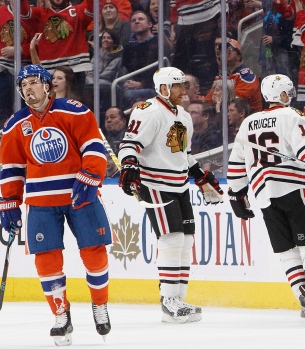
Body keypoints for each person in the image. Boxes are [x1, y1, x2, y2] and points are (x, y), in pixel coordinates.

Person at [227, 73, 305, 326]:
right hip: (293, 188)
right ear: (283, 95)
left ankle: (304, 301)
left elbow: (236, 163)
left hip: (263, 195)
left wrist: (236, 194)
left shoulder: (248, 122)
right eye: (289, 93)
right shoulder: (291, 115)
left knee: (287, 251)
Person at [0, 65, 113, 345]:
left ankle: (100, 305)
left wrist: (91, 175)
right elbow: (11, 168)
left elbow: (94, 147)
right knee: (46, 260)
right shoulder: (15, 124)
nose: (28, 89)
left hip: (79, 195)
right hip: (40, 201)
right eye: (23, 85)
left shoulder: (74, 111)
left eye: (34, 82)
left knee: (94, 252)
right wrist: (10, 201)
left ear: (48, 86)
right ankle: (61, 314)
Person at [117, 67, 224, 324]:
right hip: (154, 183)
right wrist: (130, 165)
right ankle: (168, 300)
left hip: (179, 185)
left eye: (184, 86)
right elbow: (129, 144)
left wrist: (200, 175)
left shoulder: (184, 116)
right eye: (178, 86)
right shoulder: (149, 111)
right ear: (163, 88)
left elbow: (183, 155)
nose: (184, 91)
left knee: (186, 240)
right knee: (172, 238)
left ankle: (179, 297)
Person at [20, 0, 94, 97]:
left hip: (75, 68)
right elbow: (24, 11)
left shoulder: (78, 11)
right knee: (51, 108)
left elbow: (92, 7)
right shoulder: (41, 13)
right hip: (48, 70)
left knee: (74, 105)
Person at [206, 38, 262, 113]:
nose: (226, 52)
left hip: (249, 115)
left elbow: (237, 101)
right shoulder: (220, 76)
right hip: (227, 113)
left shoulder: (247, 75)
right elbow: (209, 99)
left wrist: (219, 98)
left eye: (230, 49)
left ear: (238, 56)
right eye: (223, 50)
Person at [120, 10, 162, 108]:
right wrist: (127, 82)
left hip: (153, 87)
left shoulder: (158, 43)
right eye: (133, 20)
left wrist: (141, 84)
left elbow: (162, 70)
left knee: (127, 95)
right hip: (132, 87)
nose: (136, 21)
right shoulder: (128, 47)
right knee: (112, 89)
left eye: (141, 19)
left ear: (150, 24)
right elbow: (124, 70)